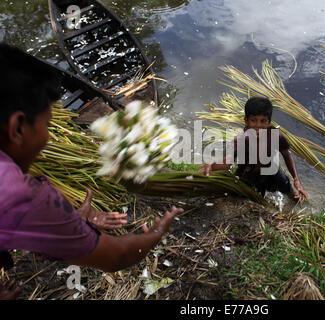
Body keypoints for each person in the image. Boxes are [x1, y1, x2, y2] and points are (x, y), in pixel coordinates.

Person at [0, 43, 182, 299]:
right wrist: (157, 233)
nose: (48, 137)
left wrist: (63, 223)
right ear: (18, 127)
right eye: (47, 124)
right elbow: (117, 255)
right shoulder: (18, 193)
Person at [198, 97, 308, 202]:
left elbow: (287, 156)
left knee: (294, 196)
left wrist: (296, 180)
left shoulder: (276, 136)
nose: (258, 126)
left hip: (272, 173)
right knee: (254, 202)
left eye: (263, 121)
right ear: (246, 121)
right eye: (253, 120)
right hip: (249, 178)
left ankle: (300, 207)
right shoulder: (241, 140)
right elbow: (228, 160)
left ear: (269, 122)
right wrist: (211, 166)